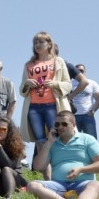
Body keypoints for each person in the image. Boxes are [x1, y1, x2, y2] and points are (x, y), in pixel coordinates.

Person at [27, 111, 99, 199]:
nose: (60, 127)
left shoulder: (87, 139)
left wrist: (81, 170)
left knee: (96, 185)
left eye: (64, 124)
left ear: (73, 125)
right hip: (59, 185)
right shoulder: (52, 143)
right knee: (33, 185)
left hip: (83, 183)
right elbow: (38, 166)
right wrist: (49, 142)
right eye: (57, 124)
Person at [19, 32, 72, 172]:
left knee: (59, 137)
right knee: (40, 142)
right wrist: (26, 84)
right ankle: (47, 178)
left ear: (49, 44)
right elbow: (21, 90)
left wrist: (55, 84)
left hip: (53, 105)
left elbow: (68, 85)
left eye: (41, 42)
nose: (37, 45)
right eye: (35, 42)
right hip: (34, 107)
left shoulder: (58, 61)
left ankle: (62, 171)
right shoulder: (28, 65)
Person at [70, 64, 99, 138]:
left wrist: (93, 111)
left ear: (85, 72)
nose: (79, 72)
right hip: (73, 116)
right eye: (77, 71)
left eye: (81, 70)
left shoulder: (92, 83)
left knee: (92, 139)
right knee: (74, 140)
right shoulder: (70, 83)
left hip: (87, 115)